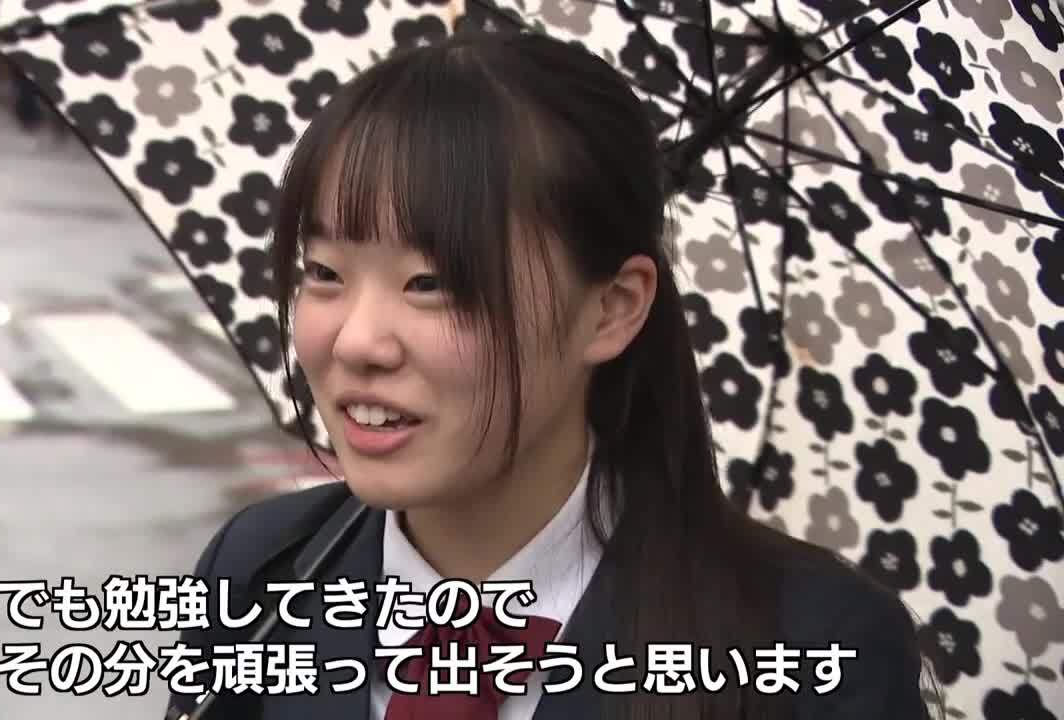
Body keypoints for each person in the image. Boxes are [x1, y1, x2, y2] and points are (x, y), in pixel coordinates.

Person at [165, 30, 937, 720]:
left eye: (433, 282)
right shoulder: (260, 570)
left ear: (611, 309)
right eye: (326, 272)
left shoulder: (812, 650)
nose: (357, 341)